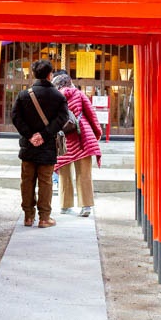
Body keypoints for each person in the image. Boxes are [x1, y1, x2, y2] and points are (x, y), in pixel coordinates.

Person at [10, 59, 69, 228]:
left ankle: (28, 216)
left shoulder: (23, 95)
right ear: (50, 75)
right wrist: (44, 135)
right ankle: (44, 218)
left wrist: (30, 135)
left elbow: (15, 117)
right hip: (47, 145)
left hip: (28, 146)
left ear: (34, 74)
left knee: (27, 181)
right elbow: (63, 118)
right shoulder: (58, 96)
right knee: (46, 182)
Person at [52, 73, 102, 217]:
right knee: (84, 174)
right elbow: (91, 114)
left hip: (63, 139)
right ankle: (86, 206)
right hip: (82, 136)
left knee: (64, 173)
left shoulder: (54, 98)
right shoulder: (79, 94)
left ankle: (65, 205)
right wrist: (96, 134)